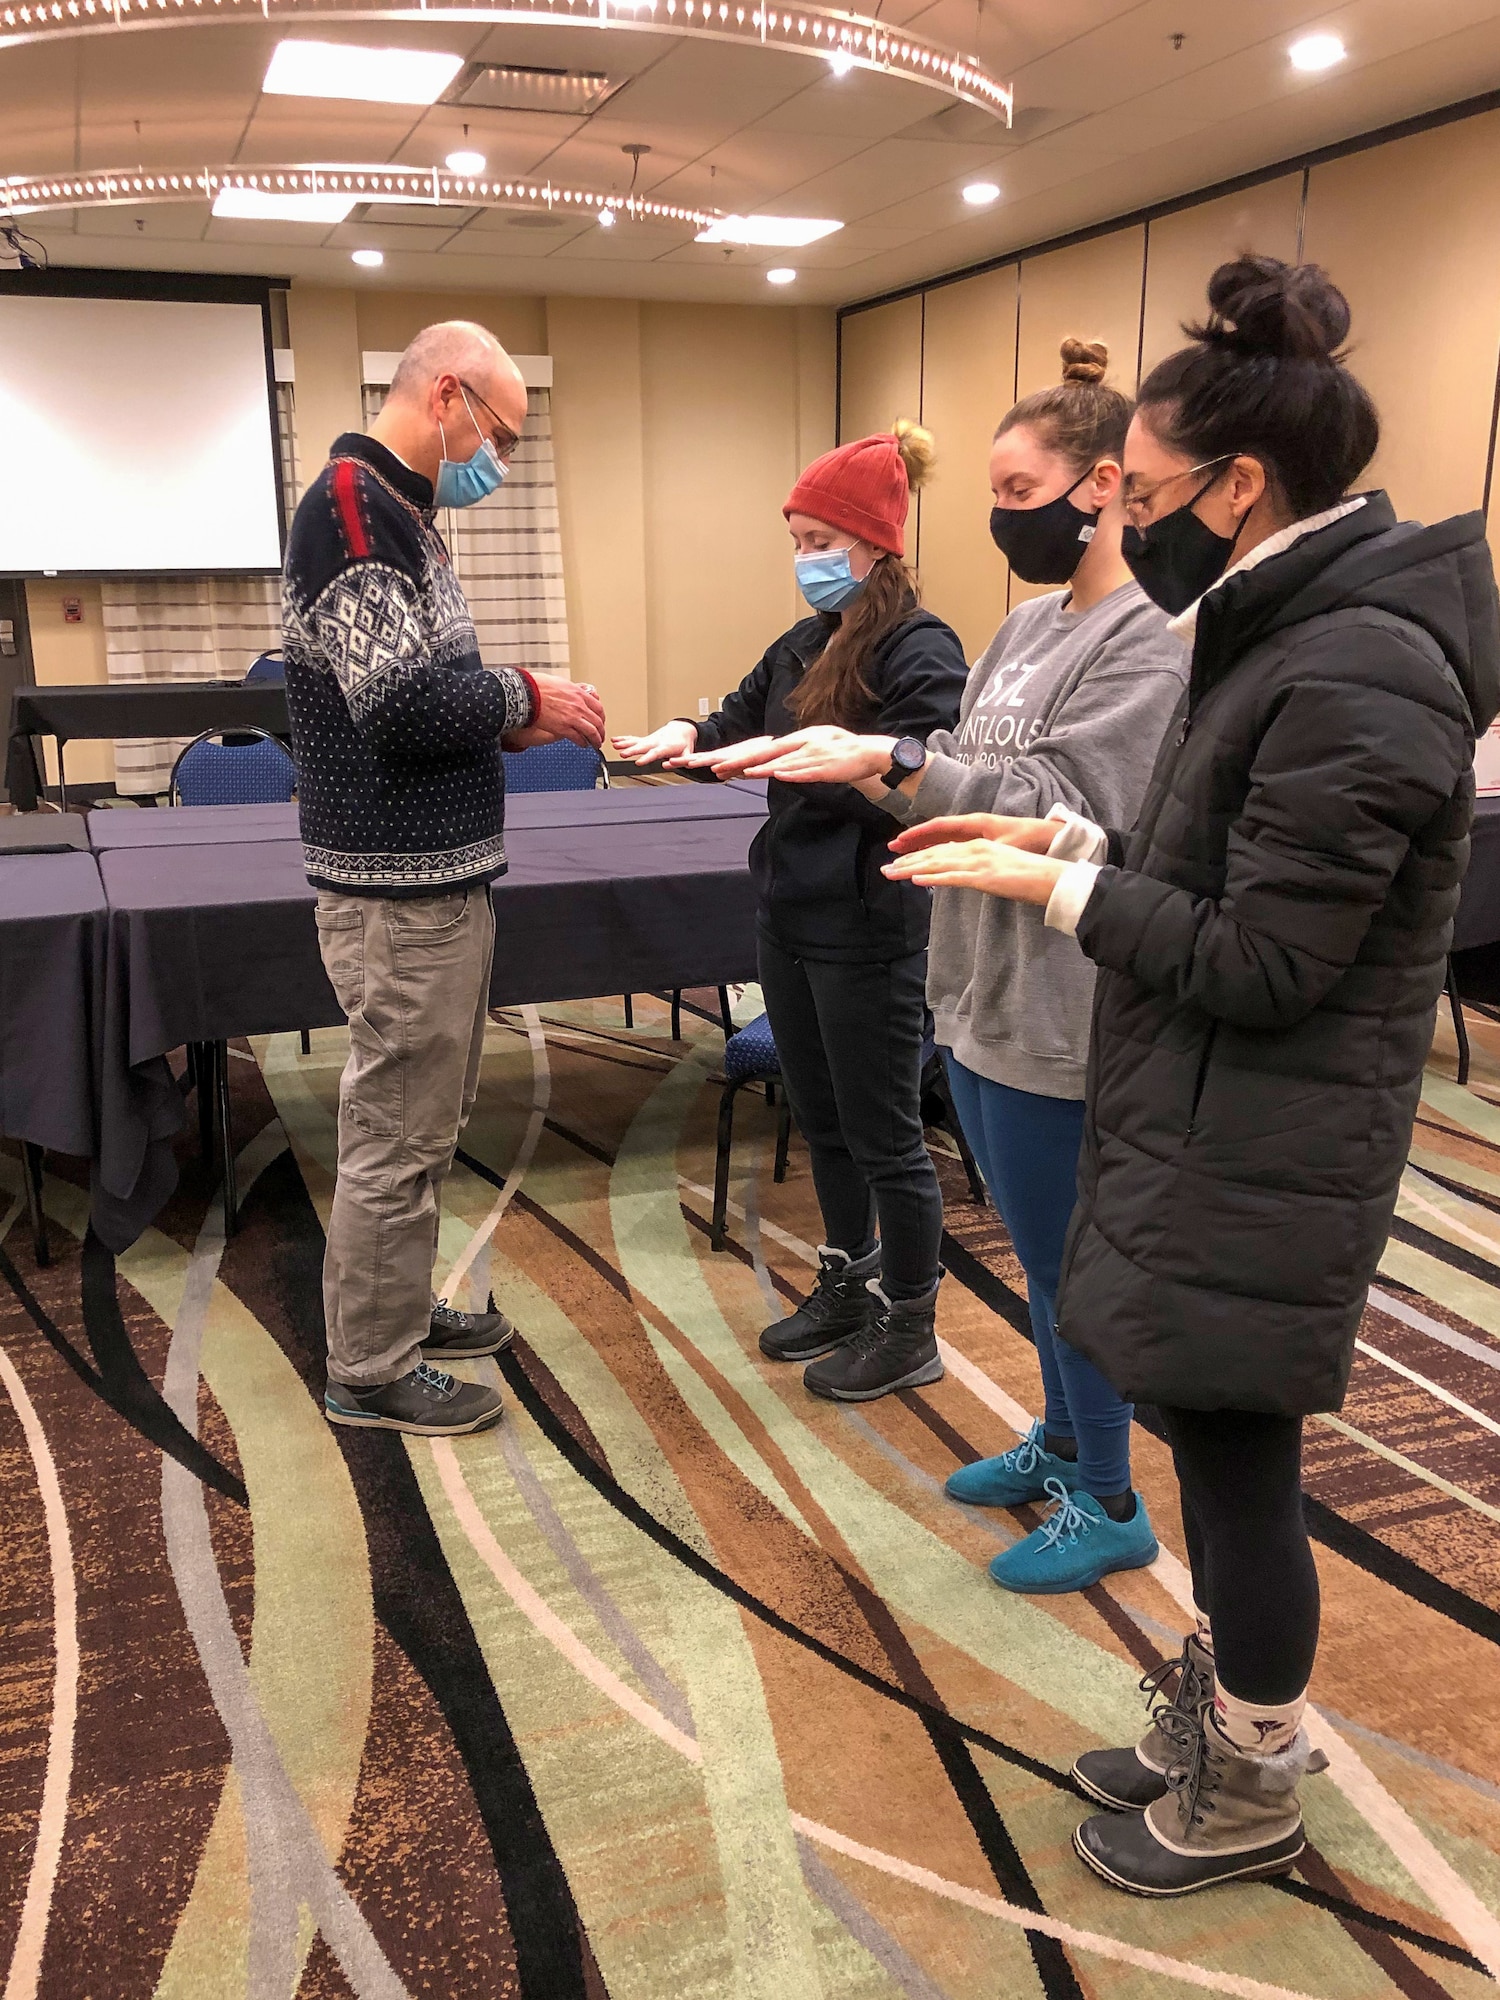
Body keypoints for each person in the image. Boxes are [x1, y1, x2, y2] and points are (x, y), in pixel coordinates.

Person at [882, 256, 1499, 1895]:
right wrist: (1059, 834)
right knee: (1206, 1449)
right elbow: (1211, 863)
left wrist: (1054, 889)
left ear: (1240, 486)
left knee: (1239, 1472)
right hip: (1215, 1115)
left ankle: (1255, 1784)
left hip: (1270, 1134)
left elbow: (1270, 961)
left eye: (1140, 492)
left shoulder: (1359, 665)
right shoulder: (1287, 631)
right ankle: (1223, 1723)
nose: (1123, 519)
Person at [723, 340, 1187, 1593]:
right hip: (974, 985)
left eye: (1021, 491)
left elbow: (1062, 801)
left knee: (1070, 1258)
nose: (998, 518)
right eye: (991, 490)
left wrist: (886, 762)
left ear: (1102, 485)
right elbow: (960, 761)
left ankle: (1110, 1494)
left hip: (1060, 998)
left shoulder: (1149, 637)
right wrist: (889, 762)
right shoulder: (1030, 625)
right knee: (1038, 1258)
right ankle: (1059, 1439)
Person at [282, 321, 606, 1438]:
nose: (498, 460)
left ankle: (396, 1311)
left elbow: (423, 693)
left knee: (425, 1114)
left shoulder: (398, 513)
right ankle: (369, 1367)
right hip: (397, 890)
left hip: (435, 877)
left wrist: (504, 720)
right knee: (399, 1128)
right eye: (500, 434)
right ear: (449, 395)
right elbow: (404, 704)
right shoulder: (354, 508)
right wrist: (527, 698)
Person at [614, 425, 967, 1400]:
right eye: (797, 541)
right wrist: (687, 733)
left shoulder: (922, 646)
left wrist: (837, 759)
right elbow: (734, 718)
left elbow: (923, 773)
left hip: (870, 921)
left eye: (820, 540)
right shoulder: (803, 642)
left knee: (885, 1129)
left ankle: (911, 1322)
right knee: (823, 1119)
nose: (806, 559)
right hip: (792, 913)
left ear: (873, 545)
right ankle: (848, 1284)